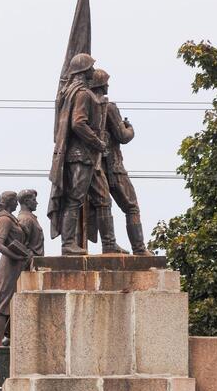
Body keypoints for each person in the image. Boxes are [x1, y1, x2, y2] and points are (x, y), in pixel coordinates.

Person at [47, 52, 128, 255]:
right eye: (90, 67)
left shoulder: (75, 92)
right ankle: (68, 244)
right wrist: (97, 142)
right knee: (75, 199)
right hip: (80, 156)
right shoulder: (82, 93)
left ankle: (109, 244)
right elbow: (78, 123)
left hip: (89, 158)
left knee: (103, 199)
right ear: (83, 71)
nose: (93, 70)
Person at [89, 69, 153, 256]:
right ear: (102, 84)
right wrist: (130, 128)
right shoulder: (108, 107)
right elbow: (122, 136)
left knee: (103, 204)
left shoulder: (86, 105)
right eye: (107, 82)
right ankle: (139, 249)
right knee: (131, 206)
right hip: (113, 166)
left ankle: (109, 244)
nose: (108, 84)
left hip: (94, 166)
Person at [0, 191, 30, 347]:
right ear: (8, 202)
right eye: (14, 201)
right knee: (2, 304)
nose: (17, 204)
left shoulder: (11, 219)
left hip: (16, 265)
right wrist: (17, 256)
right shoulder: (4, 220)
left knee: (12, 302)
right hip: (8, 266)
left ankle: (10, 338)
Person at [17, 189, 44, 257]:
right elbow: (21, 245)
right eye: (34, 200)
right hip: (31, 262)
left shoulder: (31, 218)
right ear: (26, 201)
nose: (36, 203)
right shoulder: (25, 219)